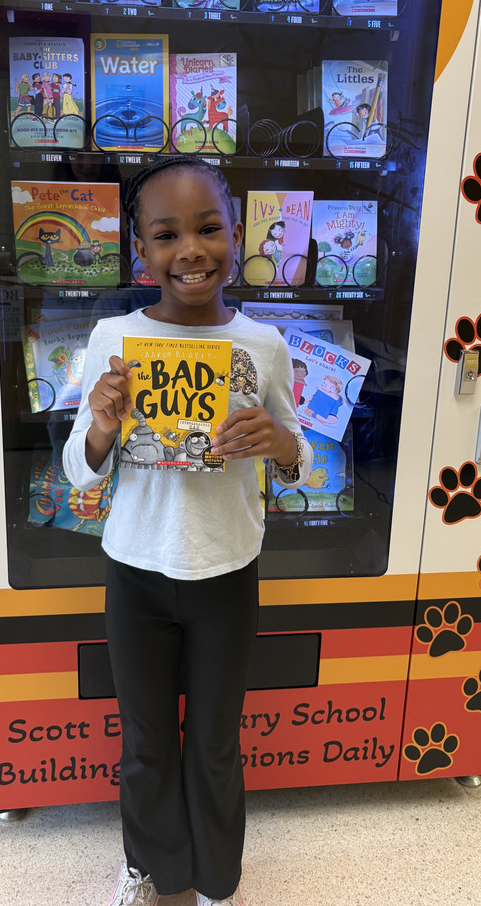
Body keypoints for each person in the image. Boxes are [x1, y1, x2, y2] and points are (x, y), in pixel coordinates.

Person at [62, 156, 312, 906]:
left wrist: (278, 443)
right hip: (136, 572)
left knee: (212, 743)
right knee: (144, 742)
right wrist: (103, 423)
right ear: (141, 252)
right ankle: (151, 870)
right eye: (166, 235)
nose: (191, 250)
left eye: (208, 229)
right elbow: (81, 471)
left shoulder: (262, 344)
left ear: (236, 235)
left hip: (227, 572)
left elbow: (296, 453)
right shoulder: (114, 338)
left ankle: (215, 880)